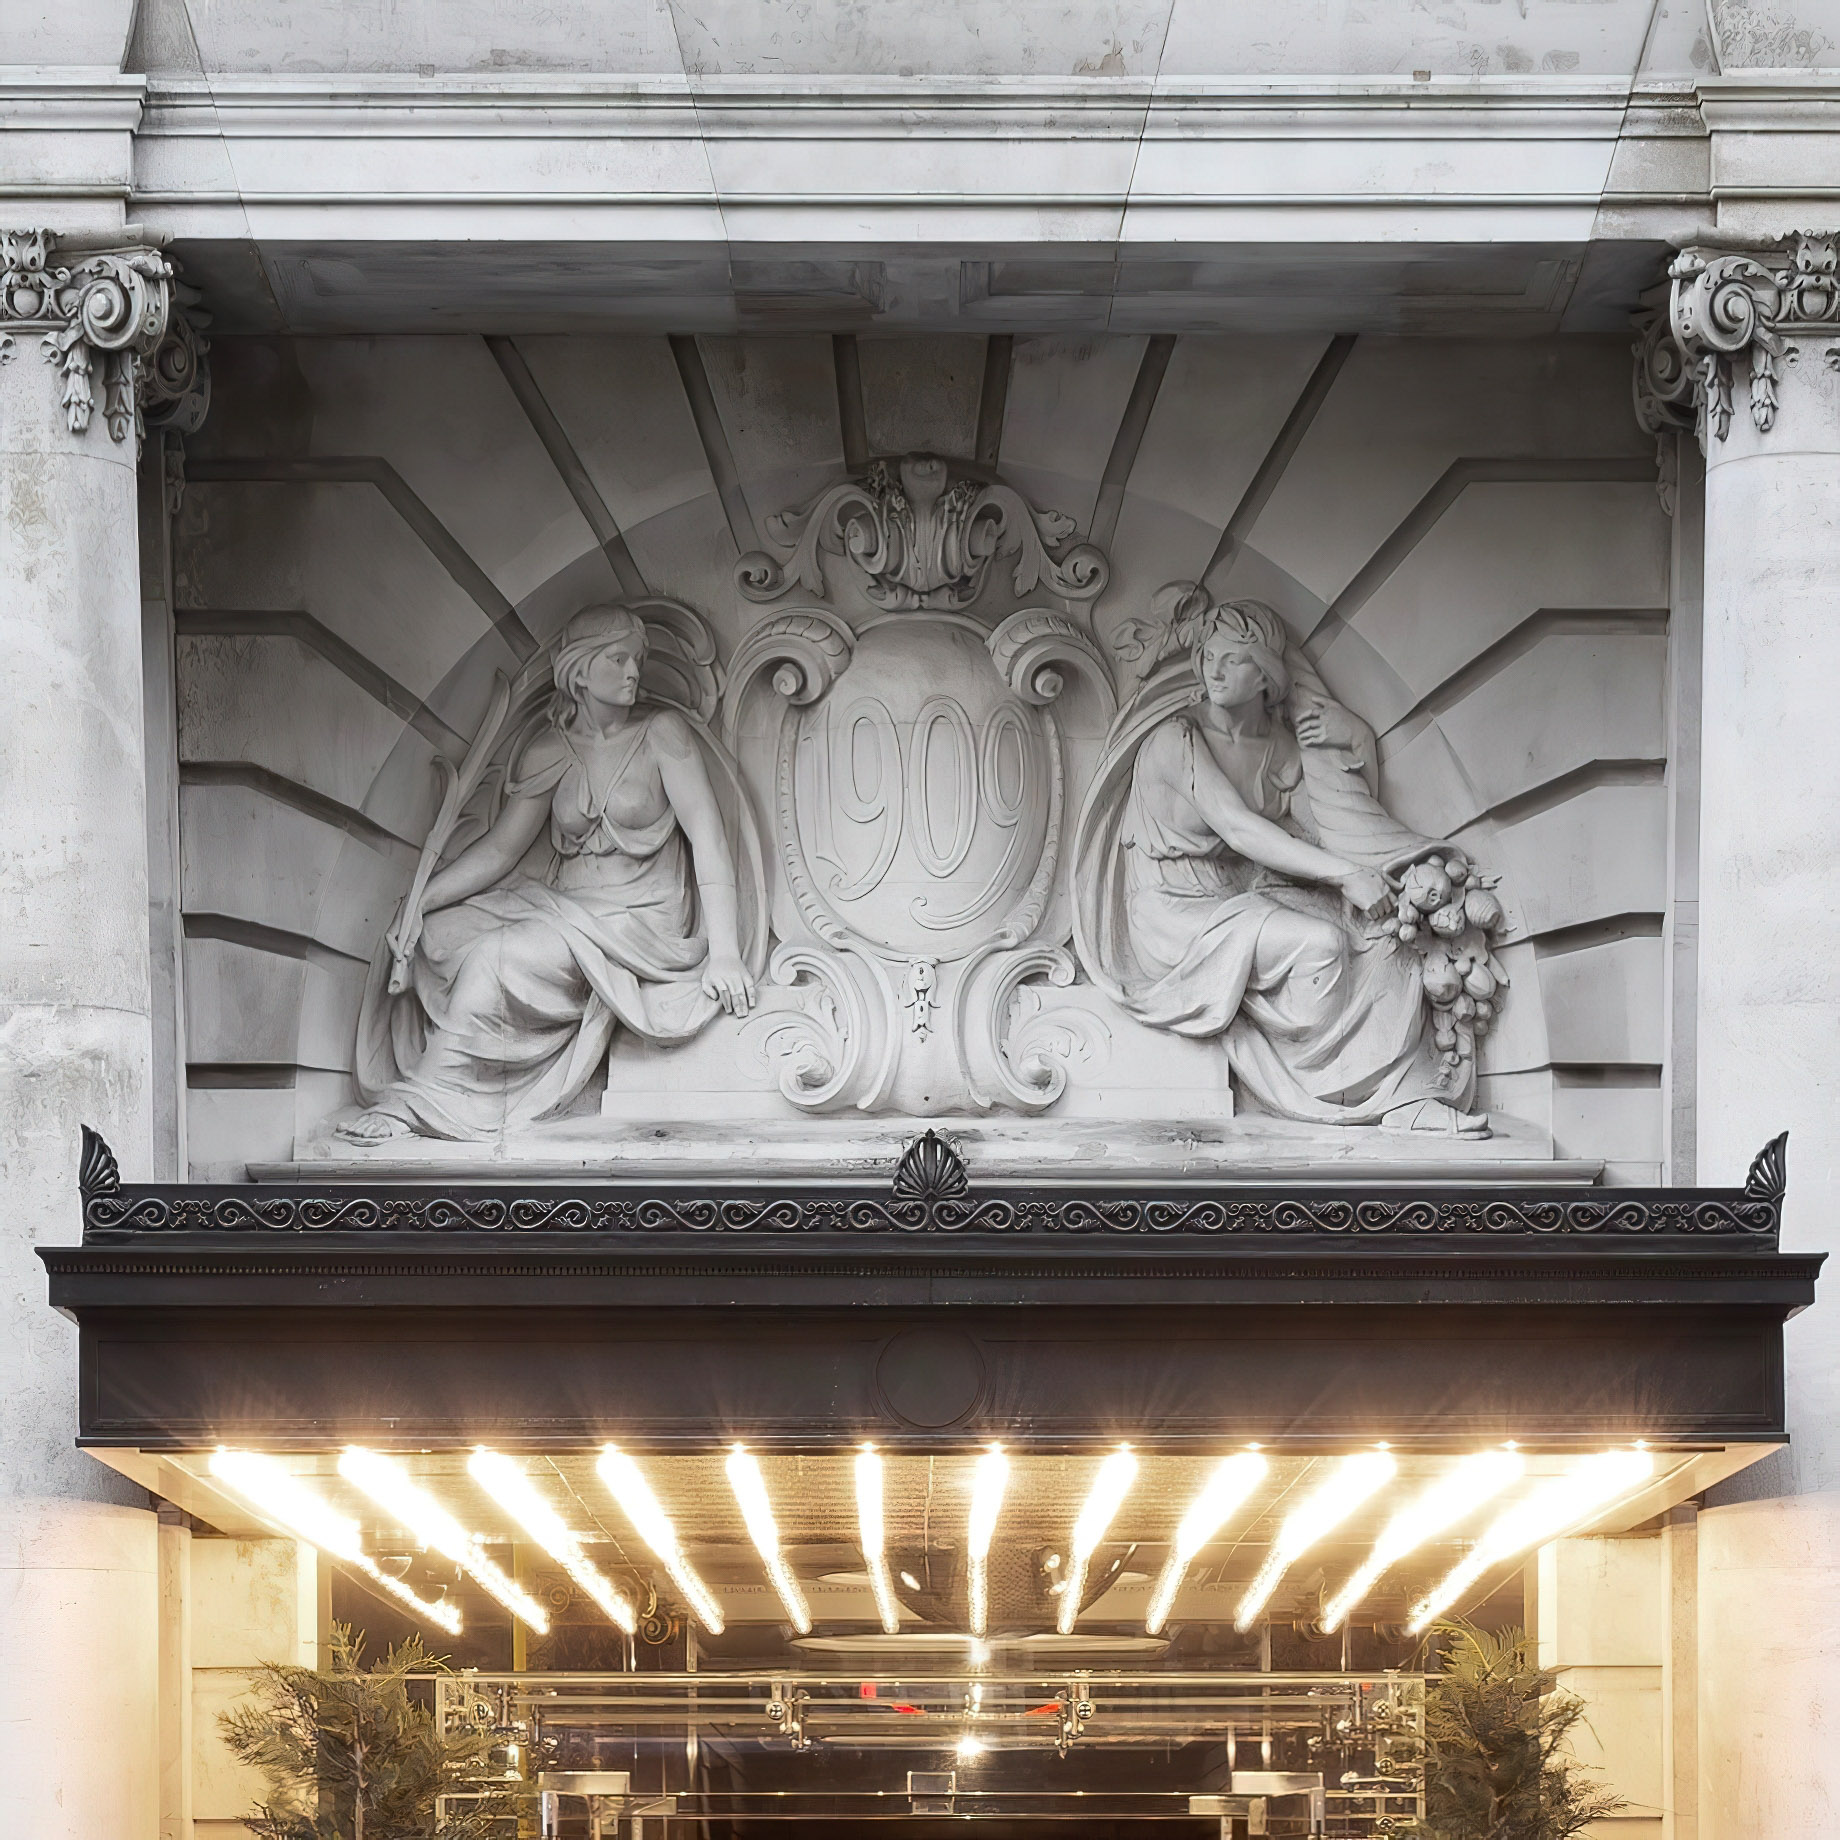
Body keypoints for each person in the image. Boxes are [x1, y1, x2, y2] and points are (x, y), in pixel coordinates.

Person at [342, 604, 755, 1142]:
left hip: (638, 921)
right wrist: (423, 901)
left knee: (495, 958)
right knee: (442, 935)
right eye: (618, 658)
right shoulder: (549, 749)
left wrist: (724, 951)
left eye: (639, 658)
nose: (634, 670)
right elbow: (500, 852)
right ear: (580, 671)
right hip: (565, 908)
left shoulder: (662, 734)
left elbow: (709, 837)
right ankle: (463, 1079)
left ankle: (427, 1097)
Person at [1117, 597, 1485, 1133]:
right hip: (1170, 913)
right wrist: (1344, 878)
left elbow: (1339, 833)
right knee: (1322, 945)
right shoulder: (1175, 739)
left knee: (1386, 940)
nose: (1214, 670)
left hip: (1233, 899)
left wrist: (1356, 739)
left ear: (1267, 675)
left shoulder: (1279, 750)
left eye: (1233, 659)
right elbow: (1240, 828)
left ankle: (1407, 1096)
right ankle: (1332, 1087)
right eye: (1209, 656)